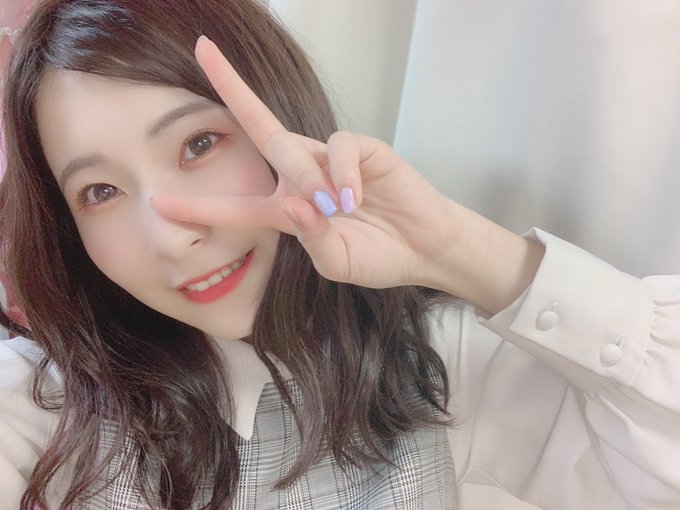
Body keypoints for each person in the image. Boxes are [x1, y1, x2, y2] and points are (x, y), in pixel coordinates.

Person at [0, 0, 677, 508]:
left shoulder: (434, 362)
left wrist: (456, 246)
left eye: (199, 145)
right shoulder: (42, 406)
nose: (170, 237)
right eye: (101, 191)